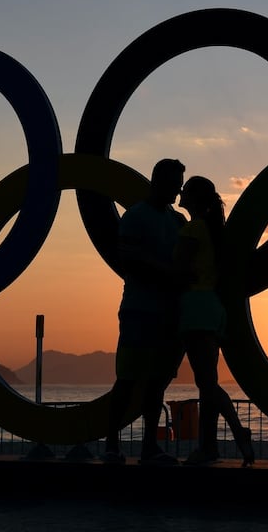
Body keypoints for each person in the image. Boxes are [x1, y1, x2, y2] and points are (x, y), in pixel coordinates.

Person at [102, 158, 189, 466]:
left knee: (156, 384)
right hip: (139, 311)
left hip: (169, 315)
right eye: (174, 183)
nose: (178, 191)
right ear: (158, 180)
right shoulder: (136, 216)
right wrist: (169, 272)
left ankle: (149, 447)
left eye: (180, 185)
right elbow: (129, 262)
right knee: (126, 380)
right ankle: (112, 444)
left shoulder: (178, 221)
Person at [173, 176, 255, 467]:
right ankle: (207, 448)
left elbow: (178, 269)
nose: (180, 193)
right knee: (207, 382)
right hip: (212, 307)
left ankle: (236, 429)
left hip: (195, 308)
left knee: (205, 383)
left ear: (192, 199)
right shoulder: (214, 231)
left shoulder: (193, 228)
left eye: (185, 191)